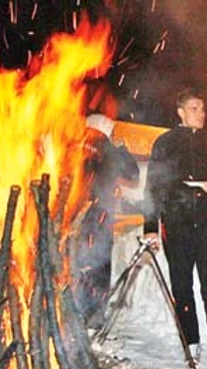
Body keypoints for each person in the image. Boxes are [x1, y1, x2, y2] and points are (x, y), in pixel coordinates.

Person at [143, 88, 207, 366]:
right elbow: (153, 187)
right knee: (182, 286)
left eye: (203, 109)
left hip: (206, 222)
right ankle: (190, 341)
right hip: (176, 221)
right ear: (181, 112)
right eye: (195, 109)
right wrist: (150, 227)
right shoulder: (165, 143)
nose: (201, 114)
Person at [73, 114, 139, 328]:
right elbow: (133, 174)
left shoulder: (76, 146)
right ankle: (94, 313)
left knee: (79, 260)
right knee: (99, 264)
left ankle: (77, 310)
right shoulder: (108, 147)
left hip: (76, 213)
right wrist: (121, 148)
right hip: (100, 214)